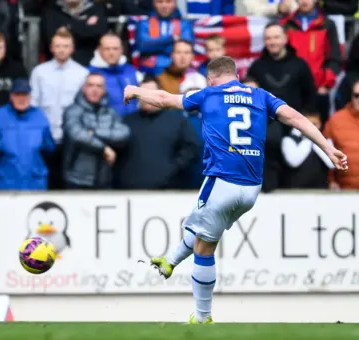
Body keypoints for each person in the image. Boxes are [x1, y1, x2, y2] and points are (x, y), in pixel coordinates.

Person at [123, 56, 348, 324]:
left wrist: (135, 90)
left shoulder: (207, 94)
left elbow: (163, 99)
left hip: (221, 180)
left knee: (204, 248)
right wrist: (327, 147)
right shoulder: (260, 95)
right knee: (202, 228)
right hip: (252, 187)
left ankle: (203, 317)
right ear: (238, 76)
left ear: (211, 79)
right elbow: (295, 117)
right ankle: (170, 261)